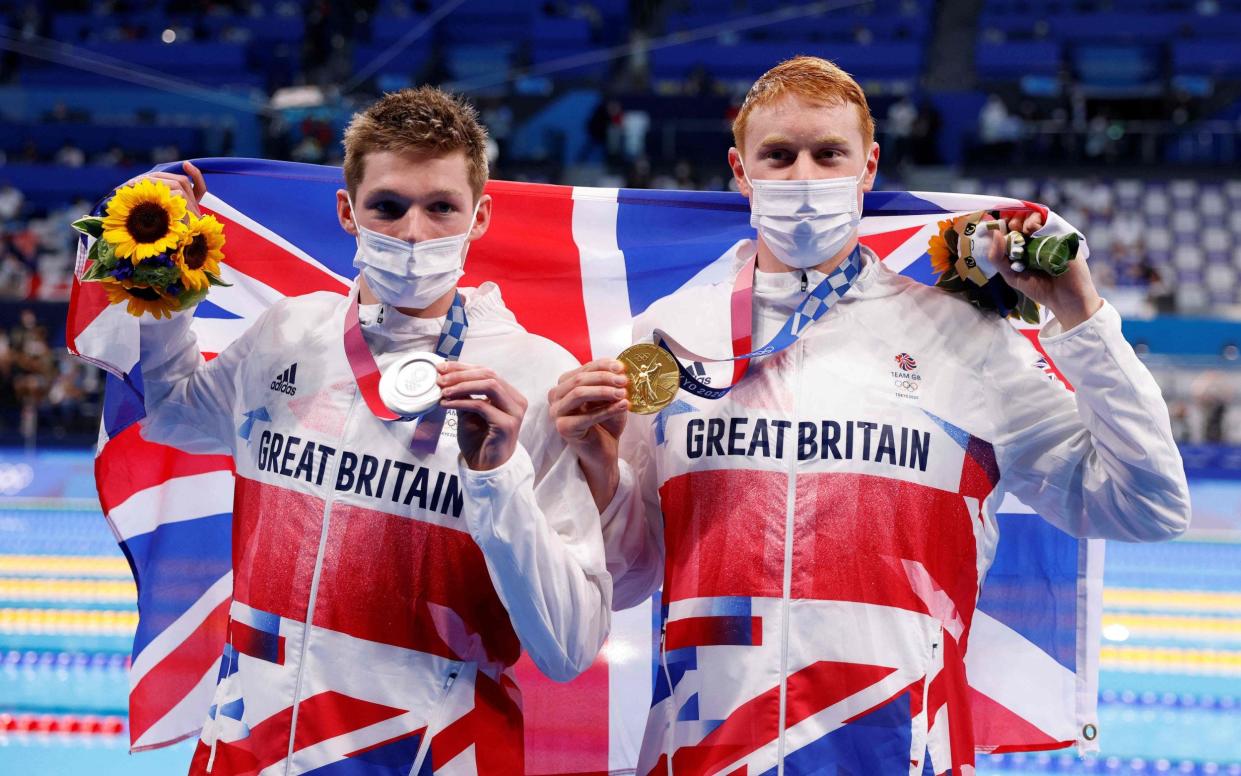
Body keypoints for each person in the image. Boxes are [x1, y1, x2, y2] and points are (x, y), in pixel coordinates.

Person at [549, 56, 1190, 774]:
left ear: (868, 167)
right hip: (706, 746)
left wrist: (1082, 318)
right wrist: (600, 474)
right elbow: (629, 577)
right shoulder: (667, 337)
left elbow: (1148, 505)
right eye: (778, 156)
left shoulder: (963, 337)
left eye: (828, 154)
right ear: (739, 170)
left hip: (899, 744)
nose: (802, 177)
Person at [132, 86, 612, 775]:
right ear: (347, 212)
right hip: (251, 743)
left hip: (427, 755)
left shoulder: (534, 376)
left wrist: (497, 478)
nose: (414, 232)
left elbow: (568, 647)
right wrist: (165, 284)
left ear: (479, 217)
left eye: (440, 206)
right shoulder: (289, 332)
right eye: (388, 206)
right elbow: (174, 412)